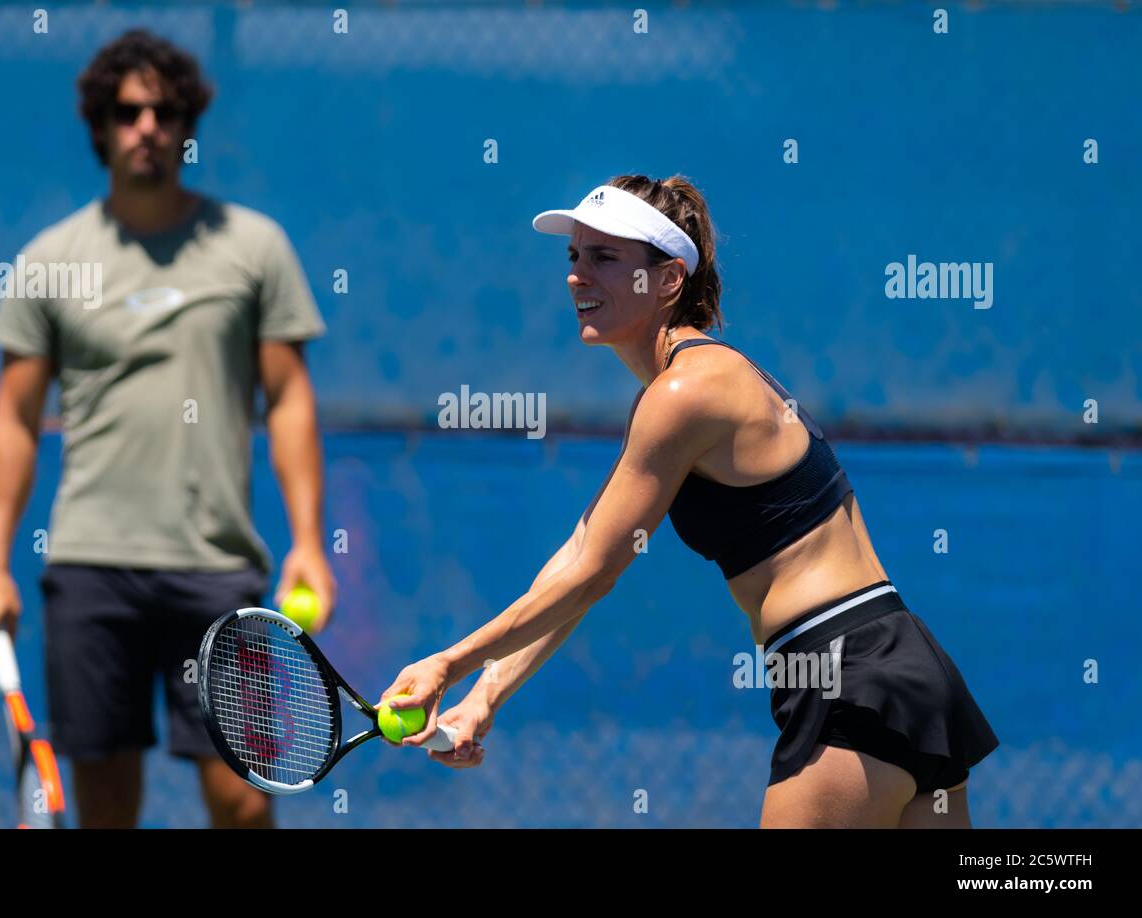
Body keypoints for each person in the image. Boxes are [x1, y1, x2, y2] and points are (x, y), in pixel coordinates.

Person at [379, 175, 998, 828]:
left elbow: (594, 568)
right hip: (902, 668)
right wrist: (485, 695)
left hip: (849, 676)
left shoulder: (685, 395)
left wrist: (448, 662)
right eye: (574, 257)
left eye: (605, 258)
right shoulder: (696, 384)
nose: (576, 277)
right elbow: (583, 560)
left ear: (669, 279)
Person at [0, 30, 335, 828]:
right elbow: (15, 423)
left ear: (186, 125)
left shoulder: (254, 249)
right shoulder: (48, 262)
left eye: (165, 112)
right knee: (106, 813)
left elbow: (290, 402)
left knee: (240, 804)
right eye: (129, 112)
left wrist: (308, 538)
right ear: (101, 125)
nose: (148, 128)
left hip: (217, 572)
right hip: (90, 570)